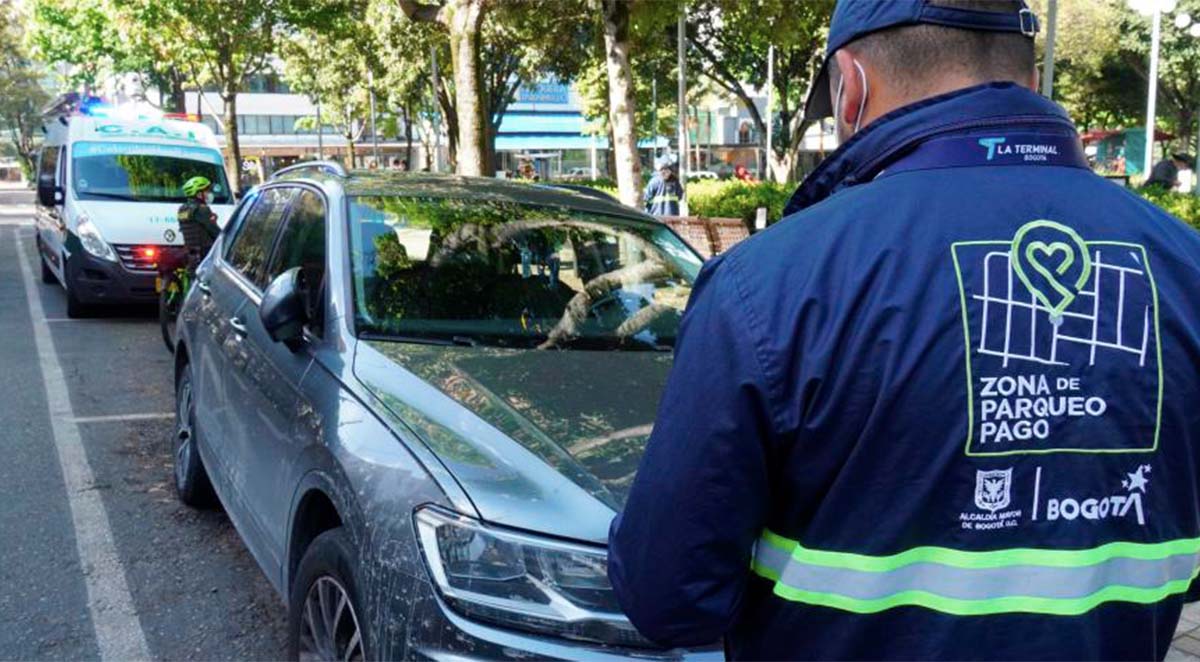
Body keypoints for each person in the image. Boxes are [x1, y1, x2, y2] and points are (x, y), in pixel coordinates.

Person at [608, 1, 1200, 659]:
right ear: (1026, 81)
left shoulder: (769, 284)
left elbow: (667, 599)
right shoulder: (1185, 267)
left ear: (852, 85)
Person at [176, 176, 220, 262]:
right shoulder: (202, 209)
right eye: (207, 191)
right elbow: (216, 233)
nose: (210, 194)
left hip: (191, 257)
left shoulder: (182, 209)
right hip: (205, 256)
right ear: (199, 194)